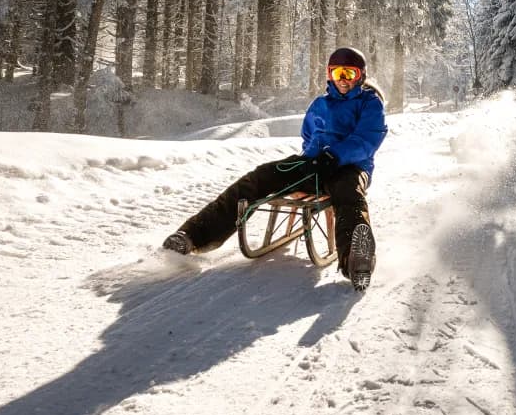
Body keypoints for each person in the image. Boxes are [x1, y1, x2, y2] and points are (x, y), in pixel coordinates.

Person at [162, 47, 388, 287]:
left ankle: (355, 258)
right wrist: (312, 159)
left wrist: (333, 157)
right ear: (329, 74)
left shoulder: (370, 104)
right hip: (314, 165)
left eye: (349, 74)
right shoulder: (319, 104)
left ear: (360, 76)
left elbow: (367, 139)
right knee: (258, 178)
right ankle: (192, 235)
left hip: (350, 168)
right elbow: (308, 136)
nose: (343, 80)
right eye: (338, 73)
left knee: (349, 194)